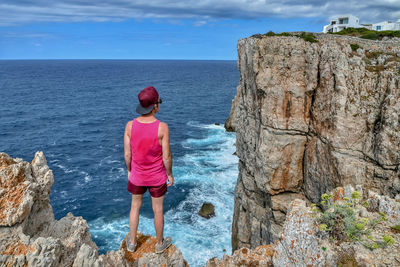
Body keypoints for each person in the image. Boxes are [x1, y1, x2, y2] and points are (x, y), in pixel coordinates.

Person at [123, 86, 174, 253]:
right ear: (155, 106)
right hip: (157, 177)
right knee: (158, 209)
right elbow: (166, 156)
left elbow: (127, 154)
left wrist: (130, 171)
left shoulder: (130, 126)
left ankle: (131, 243)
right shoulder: (162, 127)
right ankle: (160, 244)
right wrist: (170, 174)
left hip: (137, 176)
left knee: (135, 207)